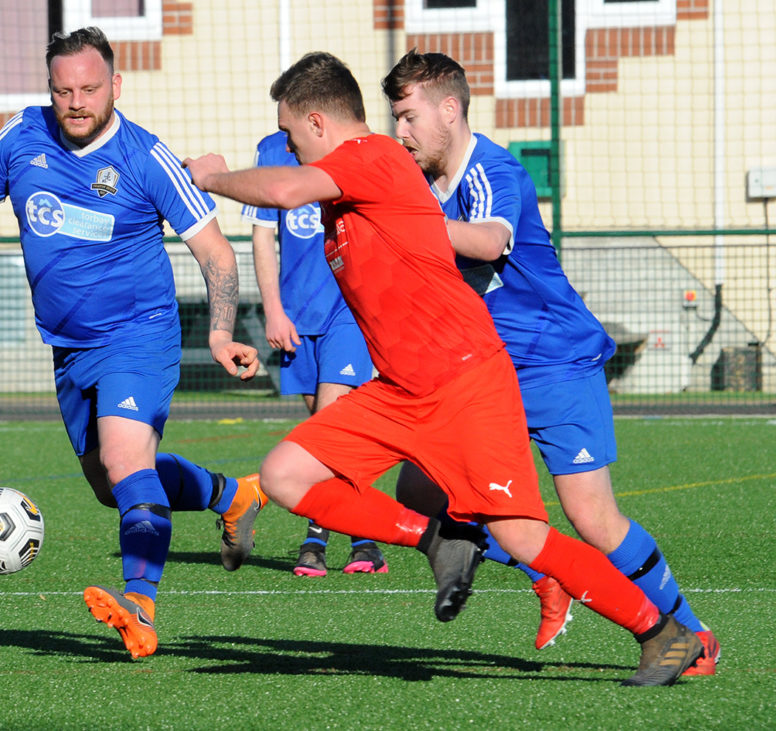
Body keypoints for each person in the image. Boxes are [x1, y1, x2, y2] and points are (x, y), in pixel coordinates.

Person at [185, 50, 703, 686]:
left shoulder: (370, 158)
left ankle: (663, 633)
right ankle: (437, 541)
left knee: (527, 537)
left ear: (318, 123)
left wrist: (211, 177)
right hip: (401, 389)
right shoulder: (351, 195)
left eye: (291, 137)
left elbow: (288, 189)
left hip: (465, 381)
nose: (290, 151)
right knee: (286, 475)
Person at [0, 26, 267, 660]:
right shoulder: (21, 137)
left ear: (116, 87)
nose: (75, 102)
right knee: (112, 484)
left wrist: (218, 330)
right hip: (68, 348)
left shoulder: (144, 156)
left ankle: (140, 607)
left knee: (127, 463)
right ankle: (230, 494)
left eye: (89, 89)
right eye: (62, 89)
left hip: (140, 333)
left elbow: (215, 251)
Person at [381, 49, 719, 675]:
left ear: (449, 111)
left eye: (408, 117)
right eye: (395, 119)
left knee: (591, 516)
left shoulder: (491, 171)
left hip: (555, 362)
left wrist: (401, 226)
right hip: (484, 372)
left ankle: (692, 633)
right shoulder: (422, 185)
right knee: (419, 489)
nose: (400, 132)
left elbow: (486, 241)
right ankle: (545, 574)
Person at [242, 131, 387, 576]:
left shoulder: (358, 149)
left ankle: (316, 534)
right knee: (323, 429)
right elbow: (263, 236)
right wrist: (273, 311)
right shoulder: (269, 150)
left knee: (328, 426)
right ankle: (365, 535)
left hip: (348, 308)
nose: (286, 130)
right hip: (296, 314)